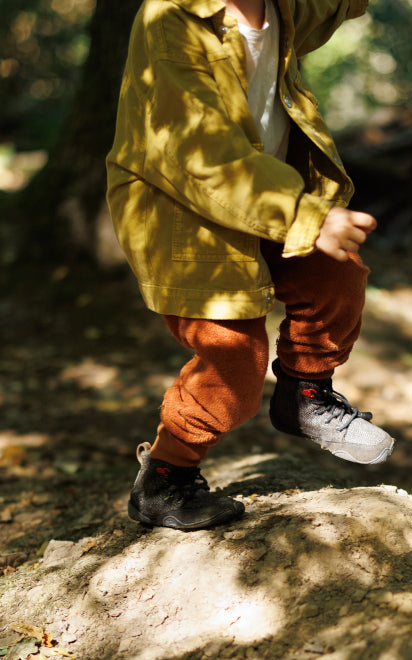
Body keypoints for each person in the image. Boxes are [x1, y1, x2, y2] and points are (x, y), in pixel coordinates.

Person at [106, 0, 393, 531]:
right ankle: (166, 476)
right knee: (234, 358)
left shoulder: (286, 8)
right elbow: (200, 156)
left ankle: (305, 395)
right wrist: (305, 215)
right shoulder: (170, 18)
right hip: (183, 205)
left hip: (265, 190)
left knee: (336, 275)